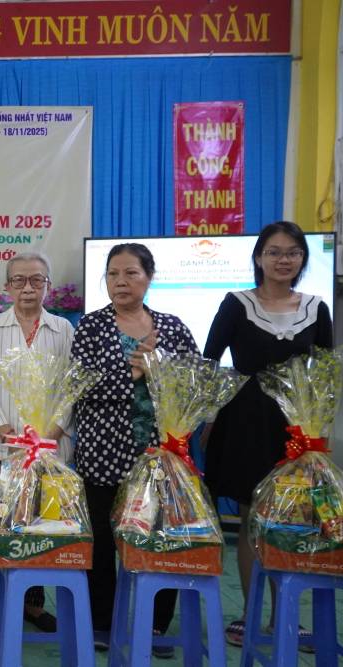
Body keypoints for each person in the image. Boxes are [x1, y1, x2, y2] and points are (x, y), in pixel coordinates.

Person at [202, 221, 332, 648]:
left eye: (292, 252)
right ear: (259, 257)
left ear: (302, 259)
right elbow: (209, 362)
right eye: (274, 252)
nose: (283, 260)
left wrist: (317, 430)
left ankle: (287, 616)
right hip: (243, 422)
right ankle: (250, 614)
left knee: (292, 520)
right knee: (251, 517)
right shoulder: (236, 303)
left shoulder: (317, 308)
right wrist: (205, 418)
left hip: (294, 426)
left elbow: (325, 374)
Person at [71, 243, 197, 656]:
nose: (121, 282)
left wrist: (158, 372)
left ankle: (157, 625)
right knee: (104, 540)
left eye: (130, 273)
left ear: (148, 277)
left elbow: (192, 386)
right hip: (102, 451)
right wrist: (132, 372)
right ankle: (102, 622)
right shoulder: (91, 327)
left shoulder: (173, 327)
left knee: (159, 536)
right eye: (113, 275)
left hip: (160, 451)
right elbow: (80, 388)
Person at [0, 251, 73, 632]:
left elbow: (68, 390)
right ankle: (1, 602)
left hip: (49, 450)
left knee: (38, 526)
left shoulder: (63, 329)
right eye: (20, 280)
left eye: (36, 280)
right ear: (7, 286)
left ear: (48, 285)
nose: (28, 287)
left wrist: (50, 436)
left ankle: (32, 604)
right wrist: (8, 434)